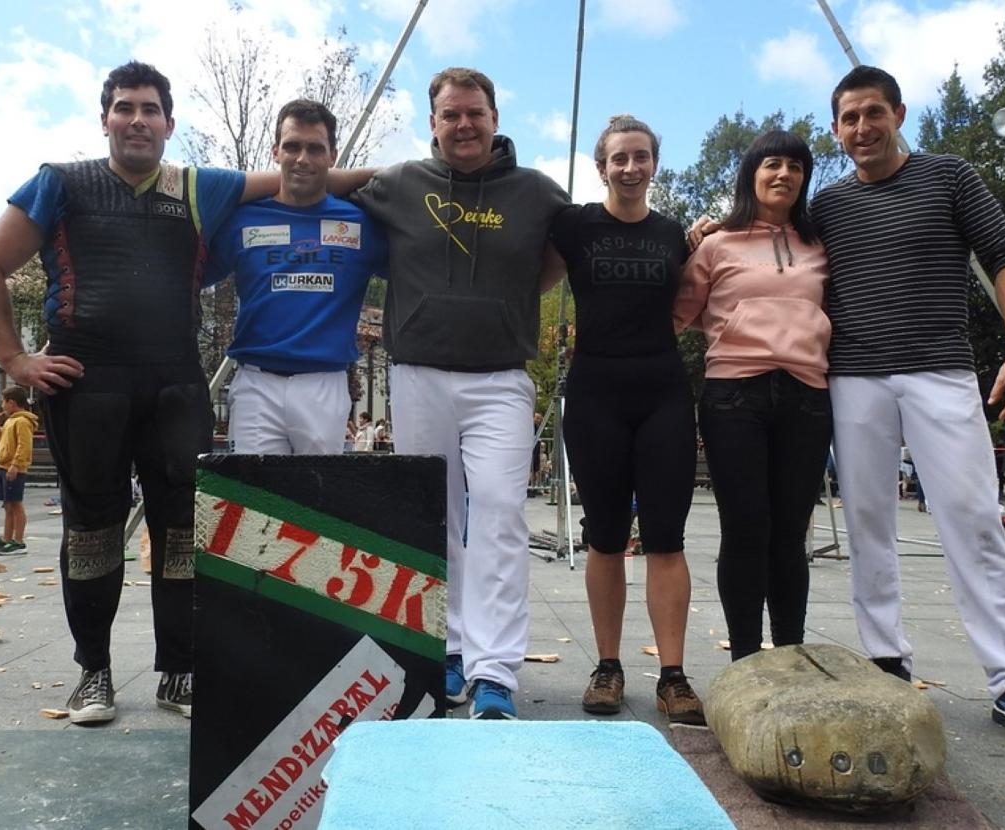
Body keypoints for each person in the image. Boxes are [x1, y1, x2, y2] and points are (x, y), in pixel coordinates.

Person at [0, 61, 346, 725]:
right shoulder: (60, 183)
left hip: (175, 383)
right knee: (93, 530)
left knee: (183, 530)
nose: (137, 120)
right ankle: (93, 673)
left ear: (169, 123)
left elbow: (301, 176)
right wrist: (13, 358)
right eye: (124, 107)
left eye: (149, 109)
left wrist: (413, 179)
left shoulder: (197, 186)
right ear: (105, 119)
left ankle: (180, 672)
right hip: (88, 384)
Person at [809, 65, 1005, 746]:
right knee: (867, 523)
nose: (862, 128)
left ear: (898, 114)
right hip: (855, 378)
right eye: (849, 118)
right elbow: (774, 249)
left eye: (873, 113)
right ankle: (885, 660)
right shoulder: (828, 206)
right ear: (836, 129)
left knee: (973, 518)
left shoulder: (949, 176)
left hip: (940, 370)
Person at [350, 67, 569, 720]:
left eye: (475, 112)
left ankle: (494, 671)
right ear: (433, 123)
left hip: (500, 378)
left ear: (495, 117)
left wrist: (512, 299)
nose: (464, 124)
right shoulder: (399, 184)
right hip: (418, 374)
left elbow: (567, 252)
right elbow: (324, 186)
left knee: (499, 512)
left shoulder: (538, 193)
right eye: (451, 114)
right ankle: (443, 648)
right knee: (431, 516)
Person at [550, 115, 702, 725]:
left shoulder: (675, 234)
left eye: (641, 157)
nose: (631, 168)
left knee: (666, 536)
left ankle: (673, 675)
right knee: (605, 536)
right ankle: (608, 666)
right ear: (601, 167)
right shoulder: (575, 224)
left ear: (654, 164)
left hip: (663, 393)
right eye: (620, 158)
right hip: (595, 395)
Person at [675, 130, 831, 673]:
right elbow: (678, 315)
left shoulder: (819, 244)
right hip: (734, 395)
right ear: (751, 175)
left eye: (796, 166)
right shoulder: (716, 244)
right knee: (745, 528)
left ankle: (789, 654)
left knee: (790, 532)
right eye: (772, 164)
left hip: (807, 395)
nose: (784, 174)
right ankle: (744, 661)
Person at [206, 99, 388, 455]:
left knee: (318, 491)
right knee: (254, 492)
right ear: (276, 151)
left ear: (332, 156)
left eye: (315, 148)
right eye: (292, 146)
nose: (302, 158)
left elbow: (414, 273)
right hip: (256, 385)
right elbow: (191, 278)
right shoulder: (242, 220)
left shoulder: (360, 223)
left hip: (325, 385)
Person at [0, 387, 37, 554]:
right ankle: (6, 538)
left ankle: (18, 541)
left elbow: (24, 445)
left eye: (3, 402)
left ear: (11, 402)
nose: (2, 405)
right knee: (8, 505)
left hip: (13, 467)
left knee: (15, 504)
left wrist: (16, 464)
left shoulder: (22, 421)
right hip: (3, 465)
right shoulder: (10, 421)